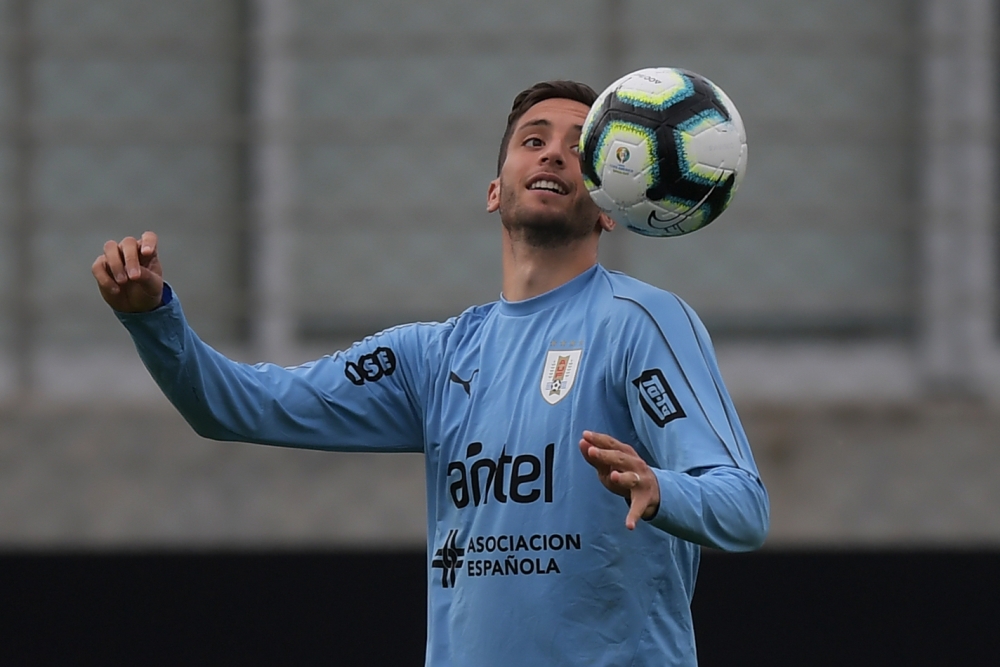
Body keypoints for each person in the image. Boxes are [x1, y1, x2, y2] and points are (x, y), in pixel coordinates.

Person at [93, 80, 769, 666]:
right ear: (494, 190)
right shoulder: (435, 357)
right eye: (533, 140)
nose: (553, 153)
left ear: (607, 202)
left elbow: (743, 508)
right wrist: (152, 319)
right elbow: (233, 406)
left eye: (577, 145)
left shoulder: (640, 322)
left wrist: (659, 487)